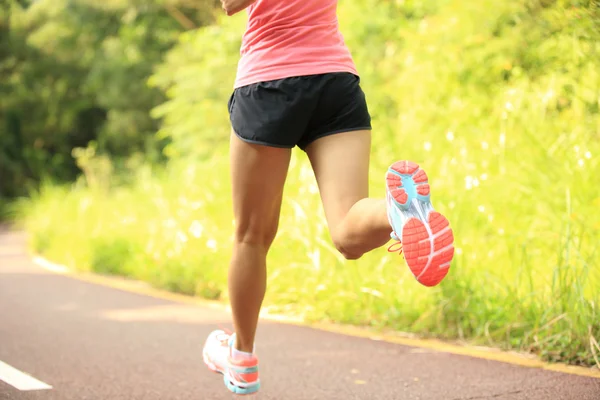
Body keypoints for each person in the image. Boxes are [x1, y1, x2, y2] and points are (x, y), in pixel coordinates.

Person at [202, 0, 455, 395]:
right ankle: (398, 213)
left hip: (269, 82)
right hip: (335, 81)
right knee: (347, 232)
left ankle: (242, 356)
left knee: (251, 236)